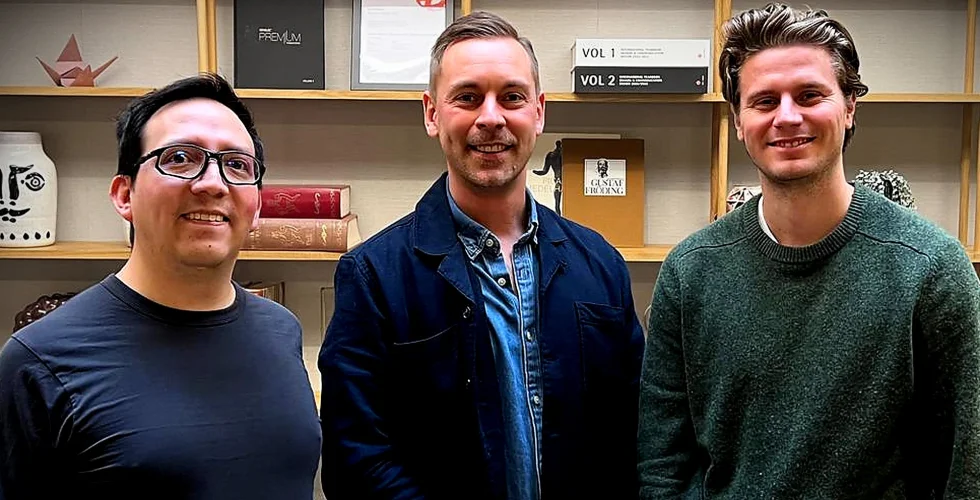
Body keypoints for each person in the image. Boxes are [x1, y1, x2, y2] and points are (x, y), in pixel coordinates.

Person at [638, 3, 980, 498]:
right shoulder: (691, 272)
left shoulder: (930, 270)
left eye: (809, 95)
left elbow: (966, 469)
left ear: (850, 106)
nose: (787, 116)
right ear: (738, 121)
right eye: (764, 101)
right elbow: (662, 466)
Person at [319, 11, 644, 500]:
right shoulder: (373, 277)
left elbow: (634, 431)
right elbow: (356, 460)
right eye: (468, 97)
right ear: (432, 114)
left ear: (539, 112)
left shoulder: (601, 264)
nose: (491, 118)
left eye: (511, 97)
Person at [0, 74, 321, 499]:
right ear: (124, 195)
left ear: (257, 205)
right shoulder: (39, 362)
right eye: (180, 158)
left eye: (236, 165)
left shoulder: (281, 329)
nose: (213, 183)